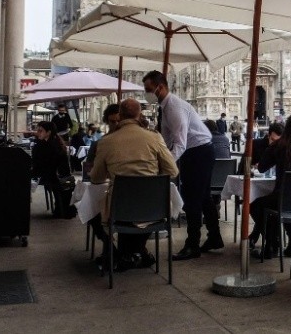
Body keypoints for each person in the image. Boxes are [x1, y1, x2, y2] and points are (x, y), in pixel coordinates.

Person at [143, 70, 224, 260]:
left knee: (192, 199)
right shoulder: (166, 107)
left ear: (160, 87)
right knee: (203, 197)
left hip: (198, 152)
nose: (146, 93)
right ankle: (214, 237)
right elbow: (166, 139)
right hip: (198, 152)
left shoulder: (174, 108)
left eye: (148, 89)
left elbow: (180, 143)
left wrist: (166, 166)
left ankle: (192, 245)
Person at [90, 99, 180, 271]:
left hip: (120, 210)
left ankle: (124, 254)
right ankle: (135, 253)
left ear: (120, 115)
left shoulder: (107, 141)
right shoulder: (154, 137)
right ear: (139, 115)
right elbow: (172, 171)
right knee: (140, 216)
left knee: (95, 213)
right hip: (154, 210)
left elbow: (96, 178)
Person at [252, 114, 291, 258]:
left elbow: (262, 168)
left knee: (257, 205)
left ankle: (272, 244)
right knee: (288, 205)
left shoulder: (280, 146)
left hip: (282, 198)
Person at [32, 121, 75, 219]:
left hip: (53, 176)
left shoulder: (49, 146)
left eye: (40, 131)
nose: (38, 133)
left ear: (48, 132)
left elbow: (41, 164)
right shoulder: (56, 143)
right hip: (59, 176)